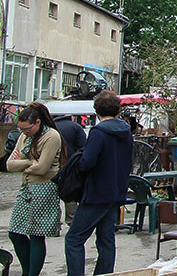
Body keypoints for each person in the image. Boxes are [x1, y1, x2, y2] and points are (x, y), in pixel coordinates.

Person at [64, 91, 133, 276]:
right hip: (116, 192)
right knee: (106, 239)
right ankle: (105, 273)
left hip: (96, 193)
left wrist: (78, 161)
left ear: (97, 111)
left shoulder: (99, 132)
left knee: (74, 239)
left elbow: (87, 163)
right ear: (118, 110)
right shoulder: (126, 131)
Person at [7, 102, 65, 276]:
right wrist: (30, 162)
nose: (24, 132)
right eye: (21, 129)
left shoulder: (51, 136)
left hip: (44, 188)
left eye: (27, 129)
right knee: (15, 232)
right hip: (27, 187)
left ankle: (32, 273)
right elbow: (9, 165)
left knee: (36, 234)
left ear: (38, 122)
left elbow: (42, 168)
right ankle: (27, 271)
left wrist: (22, 164)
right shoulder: (24, 137)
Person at [54, 115, 87, 225]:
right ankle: (72, 221)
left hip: (53, 164)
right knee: (70, 192)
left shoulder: (51, 127)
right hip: (70, 165)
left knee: (53, 196)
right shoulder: (76, 127)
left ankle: (55, 224)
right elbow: (83, 146)